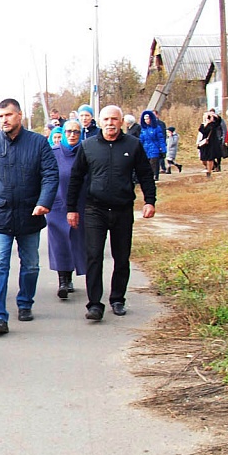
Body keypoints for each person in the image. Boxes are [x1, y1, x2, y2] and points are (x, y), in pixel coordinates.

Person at [0, 98, 58, 335]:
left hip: (30, 214)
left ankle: (25, 302)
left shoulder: (38, 143)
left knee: (30, 265)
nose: (4, 120)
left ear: (19, 115)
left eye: (8, 115)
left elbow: (50, 175)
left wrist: (44, 202)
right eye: (0, 116)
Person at [66, 105, 156, 321]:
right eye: (106, 119)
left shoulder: (133, 145)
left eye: (114, 119)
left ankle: (117, 299)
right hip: (95, 209)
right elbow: (76, 179)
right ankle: (95, 304)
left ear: (121, 121)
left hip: (122, 210)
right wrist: (71, 209)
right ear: (100, 121)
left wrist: (149, 201)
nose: (110, 123)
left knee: (121, 257)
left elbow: (145, 175)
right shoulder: (88, 146)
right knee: (94, 256)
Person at [46, 120, 86, 300]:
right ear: (62, 133)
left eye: (76, 132)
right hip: (57, 205)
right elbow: (44, 177)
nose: (72, 135)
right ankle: (63, 279)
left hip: (81, 204)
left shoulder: (86, 152)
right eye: (69, 131)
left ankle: (79, 274)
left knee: (78, 240)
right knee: (59, 242)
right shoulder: (52, 153)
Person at [137, 110, 166, 181]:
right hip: (146, 148)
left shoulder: (157, 128)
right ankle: (148, 176)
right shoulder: (143, 129)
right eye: (145, 119)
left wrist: (163, 149)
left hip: (155, 148)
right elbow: (141, 139)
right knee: (147, 164)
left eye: (147, 119)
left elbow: (161, 139)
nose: (146, 121)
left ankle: (155, 175)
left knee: (154, 163)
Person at [197, 112, 221, 177]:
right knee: (203, 159)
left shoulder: (213, 125)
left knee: (210, 158)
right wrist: (206, 123)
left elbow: (219, 121)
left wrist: (213, 115)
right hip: (204, 143)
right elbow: (202, 131)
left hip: (212, 143)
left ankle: (209, 172)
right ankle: (213, 166)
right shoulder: (202, 125)